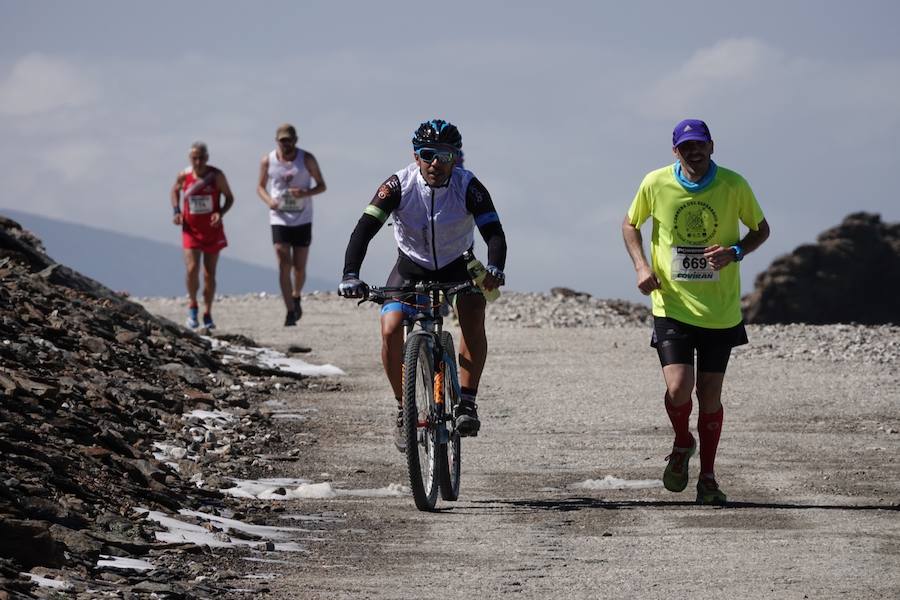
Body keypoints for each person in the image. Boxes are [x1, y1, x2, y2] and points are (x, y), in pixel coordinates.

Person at [621, 119, 770, 505]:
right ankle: (683, 441)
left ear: (712, 146)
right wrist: (641, 265)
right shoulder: (655, 183)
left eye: (700, 145)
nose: (694, 152)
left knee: (710, 396)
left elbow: (761, 229)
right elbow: (630, 224)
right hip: (671, 304)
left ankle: (708, 478)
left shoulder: (734, 185)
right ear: (675, 152)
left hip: (720, 311)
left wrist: (734, 252)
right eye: (686, 146)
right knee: (677, 388)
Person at [338, 119, 507, 451]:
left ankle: (467, 403)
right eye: (427, 155)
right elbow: (364, 228)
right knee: (389, 328)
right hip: (410, 267)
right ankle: (405, 409)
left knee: (474, 312)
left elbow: (495, 233)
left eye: (444, 156)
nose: (435, 163)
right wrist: (350, 274)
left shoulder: (469, 185)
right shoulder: (398, 184)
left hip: (458, 264)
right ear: (416, 157)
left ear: (455, 158)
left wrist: (495, 268)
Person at [256, 123, 327, 326]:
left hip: (302, 217)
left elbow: (322, 185)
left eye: (289, 140)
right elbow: (260, 187)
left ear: (296, 140)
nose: (286, 144)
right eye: (282, 140)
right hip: (279, 217)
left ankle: (296, 295)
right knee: (282, 261)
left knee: (299, 267)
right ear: (277, 141)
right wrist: (269, 200)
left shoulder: (306, 159)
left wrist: (305, 193)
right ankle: (289, 311)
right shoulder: (267, 160)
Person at [170, 141, 234, 330]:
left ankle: (207, 312)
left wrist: (220, 212)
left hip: (212, 230)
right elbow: (174, 190)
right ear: (190, 159)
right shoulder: (184, 176)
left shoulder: (216, 176)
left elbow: (230, 197)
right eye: (194, 158)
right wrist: (176, 211)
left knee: (209, 273)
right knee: (191, 268)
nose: (198, 162)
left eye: (201, 158)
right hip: (190, 230)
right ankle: (192, 306)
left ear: (207, 158)